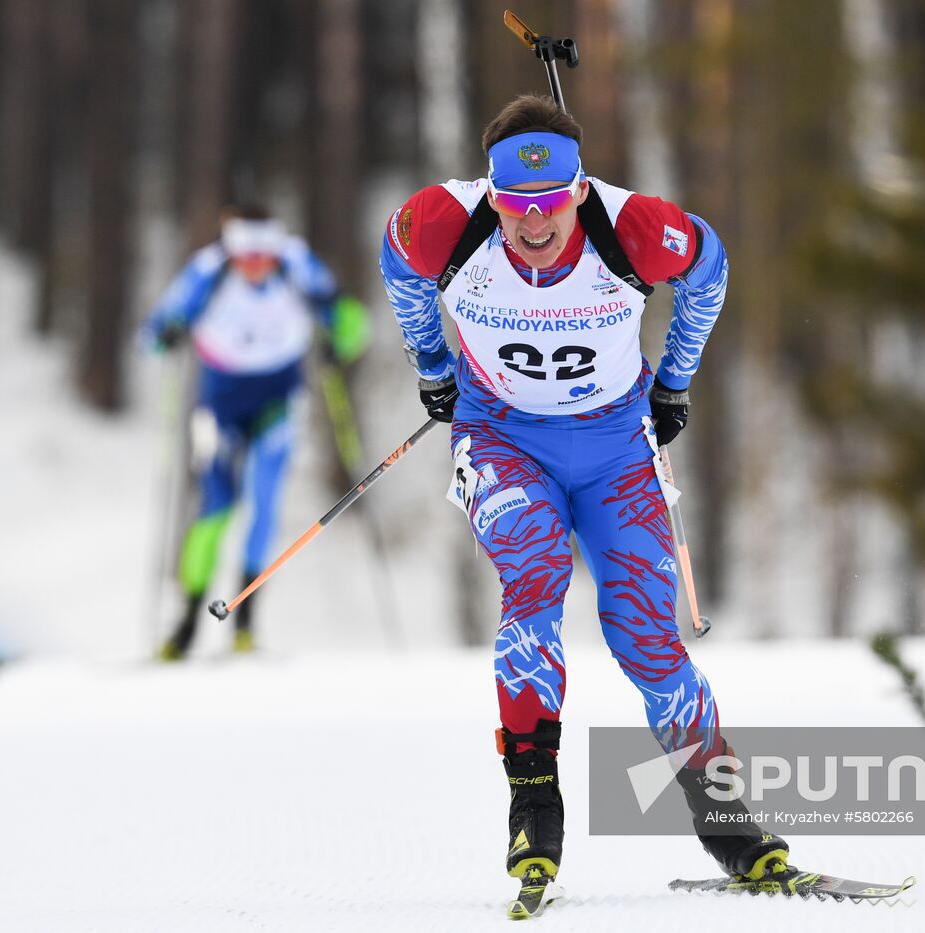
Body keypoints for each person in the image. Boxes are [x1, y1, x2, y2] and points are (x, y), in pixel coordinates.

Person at [378, 96, 788, 887]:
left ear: (578, 188)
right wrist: (432, 364)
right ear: (493, 194)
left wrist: (674, 381)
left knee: (647, 639)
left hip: (615, 451)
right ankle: (535, 807)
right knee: (533, 581)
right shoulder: (442, 222)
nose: (534, 225)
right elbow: (398, 264)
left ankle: (727, 819)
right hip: (501, 441)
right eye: (516, 205)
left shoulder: (632, 226)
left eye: (551, 202)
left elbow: (711, 269)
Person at [141, 206, 367, 660]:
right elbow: (153, 330)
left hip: (277, 402)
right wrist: (166, 333)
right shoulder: (208, 271)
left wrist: (338, 337)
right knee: (216, 507)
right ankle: (186, 623)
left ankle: (244, 622)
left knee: (264, 502)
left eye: (264, 254)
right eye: (246, 255)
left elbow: (353, 322)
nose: (256, 265)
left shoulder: (297, 263)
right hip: (219, 406)